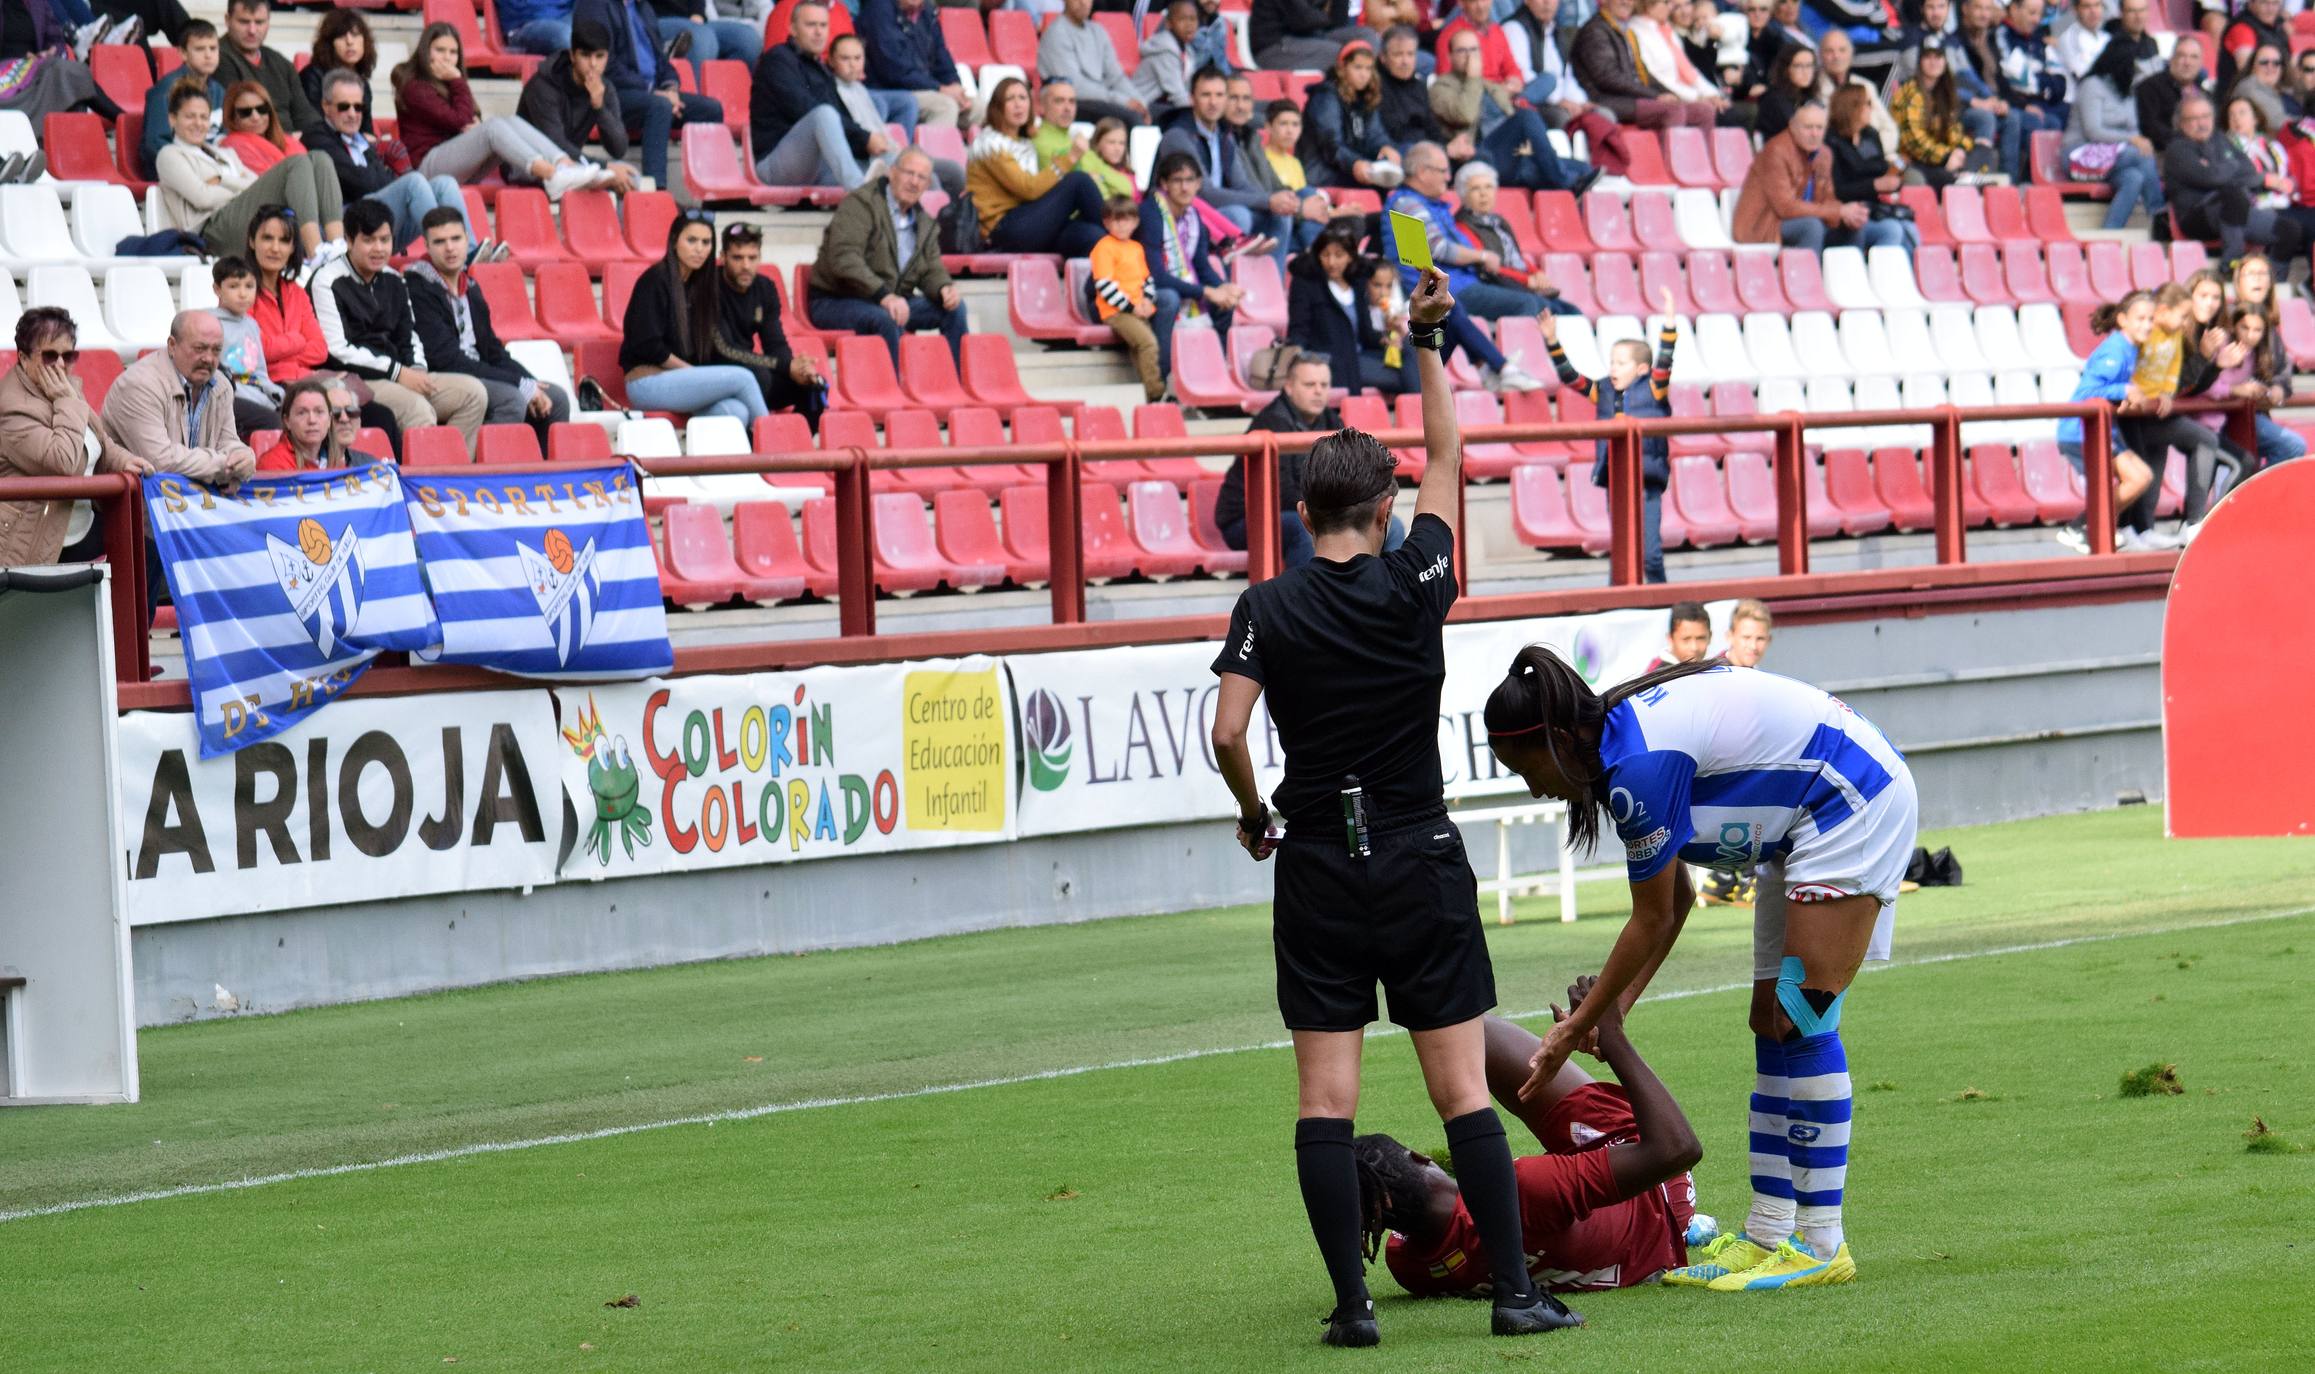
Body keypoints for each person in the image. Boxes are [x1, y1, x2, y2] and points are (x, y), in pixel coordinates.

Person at [1207, 266, 1581, 1348]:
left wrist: (1255, 812)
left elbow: (1229, 733)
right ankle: (1513, 1295)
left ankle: (1352, 1307)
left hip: (1318, 857)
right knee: (1461, 1086)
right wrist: (1421, 337)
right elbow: (1450, 458)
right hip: (1418, 854)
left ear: (1299, 509)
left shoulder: (1263, 605)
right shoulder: (1418, 578)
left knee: (1323, 1099)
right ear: (1380, 508)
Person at [1481, 648, 1919, 1293]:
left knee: (1802, 1016)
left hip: (1850, 802)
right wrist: (1611, 1013)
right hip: (1797, 823)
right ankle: (1771, 1231)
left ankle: (1823, 1242)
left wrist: (1580, 1027)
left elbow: (1652, 918)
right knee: (1769, 1021)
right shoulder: (1613, 752)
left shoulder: (1638, 767)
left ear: (1561, 737)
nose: (1533, 785)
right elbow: (1678, 899)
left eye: (1527, 766)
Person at [1366, 996, 1704, 1299]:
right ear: (1419, 1157)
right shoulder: (1523, 1186)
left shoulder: (1408, 1265)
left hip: (1602, 1243)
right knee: (1472, 1032)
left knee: (1465, 1036)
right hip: (1657, 1197)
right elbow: (1678, 1149)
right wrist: (1612, 1037)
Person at [311, 199, 491, 442]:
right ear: (349, 240)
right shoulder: (326, 280)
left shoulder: (394, 279)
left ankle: (450, 472)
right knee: (418, 409)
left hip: (402, 373)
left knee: (473, 394)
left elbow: (410, 335)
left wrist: (416, 370)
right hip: (356, 378)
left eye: (385, 240)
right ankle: (419, 478)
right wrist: (398, 373)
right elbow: (337, 349)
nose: (378, 248)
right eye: (369, 240)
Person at [407, 208, 573, 444]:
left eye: (456, 239)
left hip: (478, 372)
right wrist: (519, 384)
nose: (450, 248)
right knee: (511, 398)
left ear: (467, 239)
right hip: (444, 377)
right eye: (440, 242)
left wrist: (529, 381)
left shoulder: (471, 286)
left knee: (554, 397)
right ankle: (492, 474)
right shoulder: (418, 287)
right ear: (427, 246)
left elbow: (493, 351)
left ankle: (542, 475)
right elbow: (445, 359)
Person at [0, 307, 149, 569]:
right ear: (23, 358)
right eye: (49, 356)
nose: (60, 364)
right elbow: (64, 463)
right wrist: (66, 400)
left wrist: (124, 461)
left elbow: (97, 440)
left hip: (79, 527)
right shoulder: (12, 408)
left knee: (148, 545)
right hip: (37, 538)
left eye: (68, 356)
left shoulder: (61, 389)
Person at [393, 24, 607, 198]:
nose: (447, 58)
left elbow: (466, 119)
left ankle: (565, 164)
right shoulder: (415, 86)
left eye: (453, 52)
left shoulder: (450, 84)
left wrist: (470, 124)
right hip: (425, 170)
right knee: (493, 128)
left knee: (510, 122)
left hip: (455, 168)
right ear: (425, 52)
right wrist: (458, 81)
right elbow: (458, 119)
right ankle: (551, 175)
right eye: (439, 50)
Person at [1547, 304, 1677, 583]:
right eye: (1612, 362)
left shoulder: (1654, 388)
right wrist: (1552, 341)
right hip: (1616, 479)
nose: (1613, 368)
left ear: (1642, 369)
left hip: (1646, 479)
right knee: (1622, 547)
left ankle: (1661, 599)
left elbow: (1665, 362)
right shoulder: (1603, 389)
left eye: (1621, 363)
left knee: (1650, 552)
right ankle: (1619, 601)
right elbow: (1570, 377)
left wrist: (1669, 327)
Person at [304, 68, 484, 260]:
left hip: (380, 223)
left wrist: (380, 170)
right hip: (348, 229)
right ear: (325, 106)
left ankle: (469, 252)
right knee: (413, 182)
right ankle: (444, 250)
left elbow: (378, 181)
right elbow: (361, 183)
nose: (352, 114)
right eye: (344, 107)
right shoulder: (317, 136)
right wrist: (382, 168)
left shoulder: (361, 140)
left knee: (444, 184)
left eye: (358, 107)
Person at [807, 148, 964, 365]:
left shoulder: (925, 222)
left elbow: (930, 268)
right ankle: (893, 391)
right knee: (886, 318)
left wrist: (944, 288)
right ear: (892, 173)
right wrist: (884, 295)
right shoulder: (860, 203)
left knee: (954, 309)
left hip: (890, 300)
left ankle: (956, 385)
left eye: (921, 178)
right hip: (837, 300)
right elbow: (844, 258)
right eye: (909, 173)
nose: (914, 182)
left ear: (928, 186)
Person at [156, 83, 345, 262]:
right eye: (190, 116)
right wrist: (238, 189)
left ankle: (337, 247)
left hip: (244, 217)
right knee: (297, 163)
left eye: (204, 117)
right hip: (212, 230)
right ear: (172, 119)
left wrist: (222, 180)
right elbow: (202, 198)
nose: (198, 123)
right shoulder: (170, 154)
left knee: (319, 158)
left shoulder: (223, 153)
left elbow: (255, 183)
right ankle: (316, 253)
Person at [621, 212, 772, 425]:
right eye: (691, 240)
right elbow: (648, 345)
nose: (699, 249)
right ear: (674, 241)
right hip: (646, 383)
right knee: (743, 378)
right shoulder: (655, 279)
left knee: (736, 413)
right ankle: (772, 450)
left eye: (706, 242)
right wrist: (692, 373)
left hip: (682, 382)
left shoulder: (699, 287)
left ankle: (736, 455)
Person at [572, 0, 727, 185]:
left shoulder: (643, 7)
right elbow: (604, 65)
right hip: (612, 93)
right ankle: (656, 190)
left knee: (711, 109)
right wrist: (653, 92)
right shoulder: (594, 6)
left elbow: (661, 60)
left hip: (652, 93)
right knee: (659, 106)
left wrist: (670, 87)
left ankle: (711, 188)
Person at [100, 310, 258, 489]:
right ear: (172, 345)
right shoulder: (139, 384)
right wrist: (224, 465)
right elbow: (160, 461)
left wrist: (244, 456)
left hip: (189, 505)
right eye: (200, 348)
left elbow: (228, 441)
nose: (208, 358)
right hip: (132, 509)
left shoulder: (221, 386)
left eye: (216, 350)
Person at [1430, 25, 1598, 192]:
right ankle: (1561, 180)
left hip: (1514, 156)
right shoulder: (1441, 88)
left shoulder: (1489, 86)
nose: (1469, 56)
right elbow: (1465, 115)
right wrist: (1473, 78)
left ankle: (1564, 187)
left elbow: (1509, 116)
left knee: (1583, 170)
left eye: (1474, 50)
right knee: (1525, 117)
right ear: (1450, 56)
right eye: (1462, 51)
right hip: (1479, 156)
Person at [1157, 65, 1298, 260]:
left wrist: (1277, 201)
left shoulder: (1224, 135)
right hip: (1184, 215)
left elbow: (1242, 185)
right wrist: (1267, 200)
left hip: (1218, 212)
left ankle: (1273, 287)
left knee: (1280, 216)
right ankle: (1228, 286)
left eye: (1219, 95)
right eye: (1206, 95)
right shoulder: (1178, 135)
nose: (1213, 102)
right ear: (1192, 98)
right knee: (1238, 215)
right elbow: (1206, 194)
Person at [2053, 290, 2159, 551]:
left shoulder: (2130, 348)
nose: (2147, 325)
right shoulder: (2114, 350)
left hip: (2103, 430)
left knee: (2143, 476)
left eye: (2151, 319)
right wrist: (2123, 391)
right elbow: (2086, 392)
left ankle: (2092, 528)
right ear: (2123, 320)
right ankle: (2081, 527)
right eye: (2140, 318)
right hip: (2080, 431)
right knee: (2135, 479)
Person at [1733, 102, 1910, 253]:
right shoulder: (1776, 152)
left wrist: (1848, 213)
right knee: (1811, 226)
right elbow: (1785, 208)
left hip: (1807, 218)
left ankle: (1844, 283)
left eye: (1819, 128)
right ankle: (1809, 285)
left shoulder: (1823, 154)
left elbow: (1828, 199)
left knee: (1852, 226)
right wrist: (1838, 211)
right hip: (1764, 225)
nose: (1814, 133)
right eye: (1808, 127)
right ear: (1792, 127)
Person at [969, 75, 1111, 258]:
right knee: (1078, 181)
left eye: (1023, 98)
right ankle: (1124, 249)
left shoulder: (1024, 141)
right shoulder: (990, 143)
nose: (1018, 104)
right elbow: (1028, 188)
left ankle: (1110, 268)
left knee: (1092, 236)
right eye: (1010, 99)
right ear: (997, 107)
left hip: (1032, 222)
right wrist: (1071, 158)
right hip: (1002, 230)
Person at [751, 0, 883, 191]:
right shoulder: (778, 59)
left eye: (823, 25)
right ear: (793, 29)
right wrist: (865, 138)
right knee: (824, 114)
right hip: (774, 166)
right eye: (811, 25)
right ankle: (859, 196)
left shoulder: (821, 69)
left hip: (818, 167)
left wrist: (872, 145)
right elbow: (804, 109)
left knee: (897, 165)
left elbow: (843, 120)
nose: (818, 32)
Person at [2166, 91, 2303, 269]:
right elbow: (2211, 177)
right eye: (2193, 119)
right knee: (2232, 195)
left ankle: (2274, 282)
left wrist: (2218, 168)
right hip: (2196, 215)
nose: (2201, 123)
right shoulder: (2177, 149)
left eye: (2206, 116)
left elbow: (2248, 170)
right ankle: (2231, 264)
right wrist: (2230, 166)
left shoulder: (2219, 139)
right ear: (2182, 124)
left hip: (2234, 212)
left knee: (2290, 229)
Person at [716, 221, 826, 427]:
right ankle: (759, 447)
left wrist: (796, 369)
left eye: (752, 258)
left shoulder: (765, 288)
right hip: (717, 371)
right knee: (760, 376)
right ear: (723, 258)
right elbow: (726, 350)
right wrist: (785, 366)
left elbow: (775, 343)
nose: (746, 266)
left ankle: (794, 452)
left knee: (814, 386)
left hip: (752, 370)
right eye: (737, 258)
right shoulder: (710, 288)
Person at [1289, 222, 1414, 398]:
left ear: (1350, 256)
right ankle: (1422, 414)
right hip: (1330, 361)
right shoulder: (1307, 285)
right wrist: (1298, 359)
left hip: (1359, 356)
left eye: (1338, 255)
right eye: (1325, 255)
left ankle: (1421, 407)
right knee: (1412, 377)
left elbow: (1366, 333)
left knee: (1410, 347)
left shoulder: (1356, 282)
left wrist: (1384, 339)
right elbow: (1298, 329)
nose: (1331, 262)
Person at [518, 20, 640, 194]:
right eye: (585, 55)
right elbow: (556, 144)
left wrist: (599, 107)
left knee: (631, 179)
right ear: (572, 56)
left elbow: (619, 148)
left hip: (571, 167)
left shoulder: (604, 88)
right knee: (615, 175)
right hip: (532, 166)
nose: (593, 64)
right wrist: (605, 167)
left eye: (599, 56)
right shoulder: (543, 85)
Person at [1455, 163, 1583, 318]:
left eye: (1488, 187)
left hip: (1518, 284)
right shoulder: (1462, 225)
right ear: (1463, 195)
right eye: (1476, 189)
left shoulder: (1499, 222)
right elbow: (1487, 267)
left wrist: (1536, 273)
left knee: (1572, 312)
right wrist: (1527, 280)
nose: (1484, 194)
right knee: (1545, 309)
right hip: (1497, 286)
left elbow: (1517, 257)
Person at [1137, 151, 1241, 338]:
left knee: (1224, 303)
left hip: (1172, 286)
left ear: (1198, 183)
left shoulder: (1194, 218)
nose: (1184, 187)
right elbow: (1157, 276)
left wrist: (1223, 288)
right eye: (1177, 181)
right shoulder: (1150, 214)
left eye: (1189, 180)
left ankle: (1215, 362)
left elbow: (1201, 265)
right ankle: (1163, 366)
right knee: (1169, 298)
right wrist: (1206, 291)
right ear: (1164, 184)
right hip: (1138, 291)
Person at [1573, 0, 1718, 132]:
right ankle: (1669, 161)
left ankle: (1700, 161)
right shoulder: (1595, 30)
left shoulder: (1624, 30)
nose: (1627, 2)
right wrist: (1654, 96)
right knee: (1672, 111)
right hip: (1607, 100)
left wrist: (1668, 95)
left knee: (1703, 111)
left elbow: (1643, 74)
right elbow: (1608, 78)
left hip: (1632, 98)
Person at [2064, 37, 2161, 229]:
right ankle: (2159, 215)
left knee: (2134, 177)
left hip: (2113, 157)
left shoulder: (2127, 90)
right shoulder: (2091, 85)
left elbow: (2133, 127)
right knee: (2139, 155)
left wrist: (2138, 139)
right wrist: (2132, 139)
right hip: (2079, 155)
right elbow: (2094, 132)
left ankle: (2109, 233)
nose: (2136, 73)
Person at [2226, 254, 2305, 469]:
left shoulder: (2271, 329)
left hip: (2257, 413)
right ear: (2238, 282)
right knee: (2293, 446)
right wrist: (2236, 388)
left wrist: (2277, 391)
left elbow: (2283, 377)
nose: (2258, 279)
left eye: (2263, 274)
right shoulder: (2226, 320)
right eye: (2251, 274)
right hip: (2225, 414)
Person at [1091, 195, 1172, 403]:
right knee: (1148, 344)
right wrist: (1130, 306)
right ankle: (1156, 392)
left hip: (1137, 308)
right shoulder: (1104, 247)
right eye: (1116, 220)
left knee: (1141, 347)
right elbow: (1104, 284)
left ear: (1135, 222)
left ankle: (1148, 394)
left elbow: (1146, 279)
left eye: (1126, 219)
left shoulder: (1136, 248)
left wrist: (1147, 300)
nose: (1121, 225)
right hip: (1116, 312)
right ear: (1106, 222)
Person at [1296, 42, 1404, 190]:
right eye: (1357, 67)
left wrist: (1385, 147)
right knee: (1386, 186)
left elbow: (1375, 135)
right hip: (1321, 172)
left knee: (1409, 165)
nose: (1364, 74)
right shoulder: (1326, 96)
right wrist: (1354, 163)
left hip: (1350, 166)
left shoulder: (1365, 97)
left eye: (1368, 68)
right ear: (1342, 67)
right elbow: (1330, 144)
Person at [1826, 86, 1919, 252]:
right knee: (1892, 230)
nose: (1872, 108)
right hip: (1847, 211)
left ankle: (1912, 275)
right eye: (1867, 103)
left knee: (1909, 228)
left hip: (1875, 208)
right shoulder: (1832, 140)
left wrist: (1895, 176)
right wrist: (1874, 185)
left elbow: (1881, 167)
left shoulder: (1871, 134)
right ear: (1852, 107)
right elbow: (1837, 189)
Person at [1891, 38, 1986, 188]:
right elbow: (1914, 142)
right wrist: (1946, 156)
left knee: (1982, 158)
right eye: (1928, 57)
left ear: (1945, 61)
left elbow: (1953, 130)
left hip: (1937, 160)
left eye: (1938, 57)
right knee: (1953, 180)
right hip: (1911, 161)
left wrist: (1962, 148)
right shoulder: (1910, 92)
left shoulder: (1944, 92)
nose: (1933, 62)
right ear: (1919, 62)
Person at [855, 0, 965, 129]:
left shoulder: (927, 11)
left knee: (979, 109)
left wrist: (955, 85)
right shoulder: (879, 9)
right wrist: (940, 88)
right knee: (945, 106)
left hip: (928, 89)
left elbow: (942, 55)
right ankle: (928, 150)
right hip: (892, 90)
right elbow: (894, 71)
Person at [216, 0, 317, 132]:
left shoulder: (281, 63)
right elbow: (240, 120)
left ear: (268, 22)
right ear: (227, 20)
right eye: (244, 22)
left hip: (296, 143)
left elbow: (305, 116)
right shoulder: (216, 58)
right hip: (252, 145)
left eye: (259, 22)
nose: (252, 30)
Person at [210, 256, 282, 438]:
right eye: (234, 286)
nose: (243, 294)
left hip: (255, 389)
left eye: (249, 286)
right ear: (217, 289)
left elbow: (259, 371)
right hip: (226, 395)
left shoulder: (252, 325)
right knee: (273, 422)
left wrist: (274, 392)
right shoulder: (209, 323)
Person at [1042, 0, 1146, 125]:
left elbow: (1117, 77)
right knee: (1132, 118)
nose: (1083, 3)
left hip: (1105, 98)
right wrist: (1123, 101)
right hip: (1075, 101)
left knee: (1161, 113)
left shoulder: (1098, 31)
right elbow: (1074, 86)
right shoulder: (1056, 33)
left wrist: (1140, 101)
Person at [143, 18, 221, 179]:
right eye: (199, 49)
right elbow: (155, 143)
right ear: (183, 53)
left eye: (213, 48)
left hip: (209, 166)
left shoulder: (219, 91)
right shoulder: (166, 90)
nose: (208, 55)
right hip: (172, 171)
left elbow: (224, 137)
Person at [255, 376, 385, 472]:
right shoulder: (273, 464)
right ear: (287, 421)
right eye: (302, 413)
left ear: (329, 420)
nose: (312, 420)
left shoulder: (337, 462)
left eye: (319, 412)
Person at [1992, 0, 2068, 153]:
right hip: (2016, 102)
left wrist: (2041, 82)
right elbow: (2018, 80)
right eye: (2032, 13)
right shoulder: (2003, 35)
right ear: (2014, 9)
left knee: (2072, 113)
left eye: (2040, 14)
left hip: (2043, 102)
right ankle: (2031, 175)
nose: (2037, 20)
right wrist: (2046, 83)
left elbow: (2061, 82)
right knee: (2040, 122)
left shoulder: (2038, 38)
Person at [300, 9, 376, 133]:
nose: (349, 42)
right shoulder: (312, 76)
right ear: (329, 44)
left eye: (355, 35)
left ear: (365, 41)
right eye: (341, 36)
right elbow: (314, 127)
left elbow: (367, 132)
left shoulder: (363, 83)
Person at [1249, 0, 1372, 71]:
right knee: (1341, 53)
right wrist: (1327, 17)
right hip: (1274, 48)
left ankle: (1373, 83)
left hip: (1310, 38)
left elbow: (1340, 22)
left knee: (1366, 35)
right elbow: (1304, 20)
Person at [216, 78, 303, 175]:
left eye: (262, 109)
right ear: (232, 118)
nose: (256, 117)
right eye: (245, 112)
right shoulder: (233, 145)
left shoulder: (288, 141)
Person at [1136, 0, 1204, 120]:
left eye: (1193, 19)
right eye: (1183, 19)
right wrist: (1202, 112)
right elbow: (1177, 95)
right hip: (1144, 106)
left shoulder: (1187, 50)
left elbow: (1187, 90)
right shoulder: (1164, 50)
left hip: (1166, 104)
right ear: (1168, 23)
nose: (1189, 25)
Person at [1754, 42, 1824, 142]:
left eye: (1809, 66)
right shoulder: (1775, 100)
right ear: (1786, 70)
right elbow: (1797, 132)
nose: (1805, 72)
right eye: (1799, 66)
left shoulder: (1809, 98)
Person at [2232, 44, 2298, 132]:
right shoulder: (2249, 88)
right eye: (2264, 62)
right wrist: (2308, 125)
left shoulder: (2287, 89)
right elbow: (2277, 122)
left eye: (2276, 63)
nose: (2270, 67)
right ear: (2252, 66)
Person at [1029, 78, 1090, 171]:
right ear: (1041, 106)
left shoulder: (1078, 137)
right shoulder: (1039, 141)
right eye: (1059, 101)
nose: (1068, 108)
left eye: (1072, 101)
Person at [1083, 116, 1138, 200]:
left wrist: (1101, 177)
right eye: (1111, 142)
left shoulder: (1129, 174)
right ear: (1097, 143)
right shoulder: (1089, 163)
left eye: (1122, 143)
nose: (1117, 148)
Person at [500, 0, 577, 58]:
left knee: (585, 30)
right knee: (567, 37)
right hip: (524, 24)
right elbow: (525, 8)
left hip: (563, 16)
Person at [1725, 599, 1773, 667]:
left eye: (1760, 639)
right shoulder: (1712, 674)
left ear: (1769, 640)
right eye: (1746, 637)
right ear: (1730, 636)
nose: (1753, 646)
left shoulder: (1759, 675)